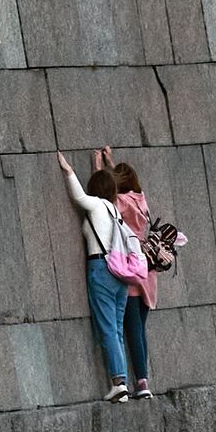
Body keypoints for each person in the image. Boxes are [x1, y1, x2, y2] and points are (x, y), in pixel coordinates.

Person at [57, 150, 131, 402]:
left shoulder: (97, 205)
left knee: (108, 327)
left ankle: (118, 381)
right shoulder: (114, 209)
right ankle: (122, 384)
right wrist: (97, 166)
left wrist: (68, 169)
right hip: (121, 275)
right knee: (117, 328)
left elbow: (79, 196)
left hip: (101, 268)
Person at [96, 146, 155, 399]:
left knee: (129, 329)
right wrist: (112, 162)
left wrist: (100, 169)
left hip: (129, 270)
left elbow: (104, 196)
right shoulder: (141, 199)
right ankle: (143, 377)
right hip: (147, 272)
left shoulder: (120, 202)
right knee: (140, 328)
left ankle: (141, 383)